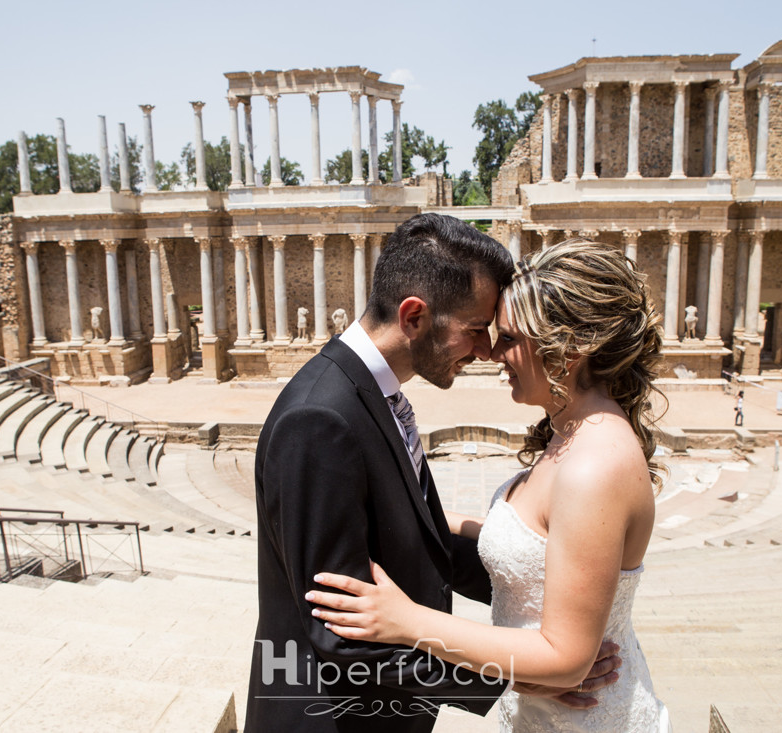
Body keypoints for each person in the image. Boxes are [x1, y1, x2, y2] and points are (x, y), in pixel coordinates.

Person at [247, 216, 620, 733]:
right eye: (475, 330)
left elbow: (415, 542)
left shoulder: (374, 397)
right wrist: (516, 675)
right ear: (415, 316)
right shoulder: (320, 419)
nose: (487, 351)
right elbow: (341, 631)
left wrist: (551, 617)